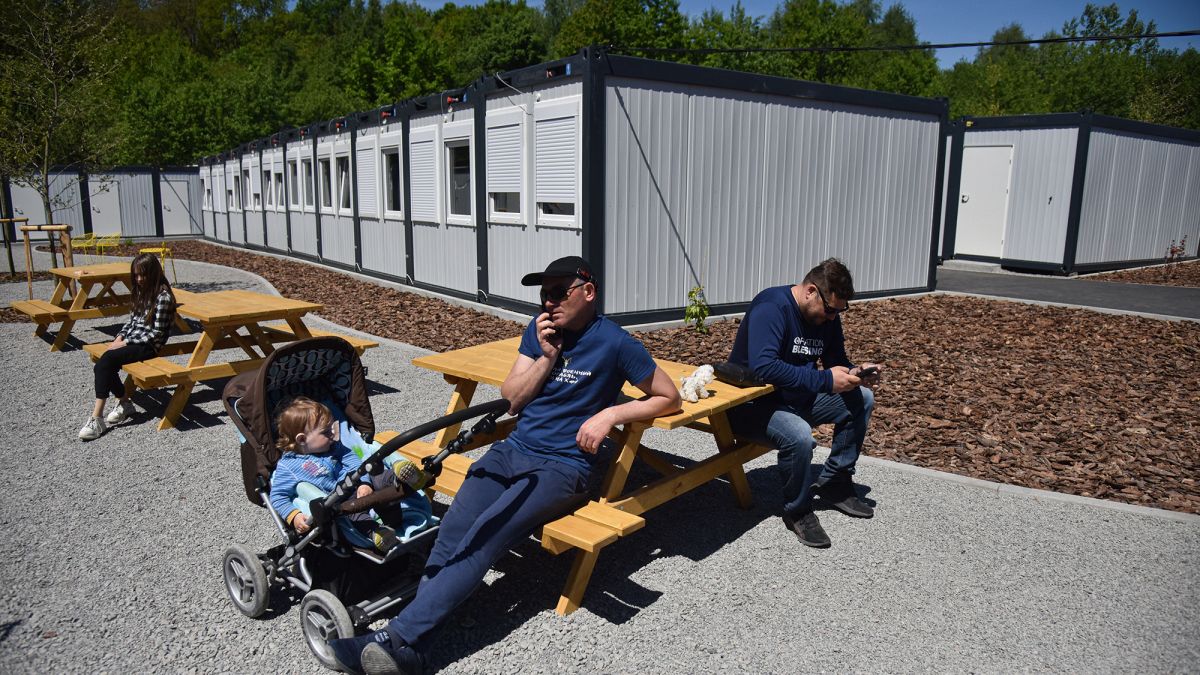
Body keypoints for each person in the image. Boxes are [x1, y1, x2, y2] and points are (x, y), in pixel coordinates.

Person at [328, 256, 681, 675]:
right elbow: (512, 398)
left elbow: (669, 397)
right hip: (514, 449)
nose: (548, 302)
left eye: (558, 292)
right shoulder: (540, 331)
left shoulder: (616, 343)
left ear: (588, 291)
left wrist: (610, 416)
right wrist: (546, 357)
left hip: (563, 467)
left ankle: (397, 637)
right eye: (543, 294)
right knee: (453, 530)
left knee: (486, 536)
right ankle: (416, 647)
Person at [726, 258, 882, 549]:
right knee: (799, 435)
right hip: (752, 404)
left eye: (839, 311)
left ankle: (835, 483)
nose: (833, 317)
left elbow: (834, 361)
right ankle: (797, 510)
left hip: (796, 398)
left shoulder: (825, 317)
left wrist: (854, 373)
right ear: (811, 290)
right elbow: (764, 368)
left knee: (862, 398)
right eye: (830, 309)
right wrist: (824, 381)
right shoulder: (772, 308)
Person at [270, 396, 426, 553]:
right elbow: (277, 496)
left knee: (377, 472)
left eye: (332, 428)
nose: (333, 434)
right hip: (342, 500)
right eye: (326, 432)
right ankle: (377, 533)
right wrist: (294, 515)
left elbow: (356, 463)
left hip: (360, 483)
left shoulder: (334, 446)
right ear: (302, 439)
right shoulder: (288, 467)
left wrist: (365, 483)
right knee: (354, 516)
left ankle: (403, 476)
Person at [78, 253, 176, 440]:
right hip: (131, 339)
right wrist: (120, 336)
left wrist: (125, 342)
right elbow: (132, 322)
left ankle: (97, 417)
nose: (139, 279)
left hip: (148, 346)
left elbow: (157, 333)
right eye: (136, 275)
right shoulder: (140, 291)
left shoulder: (163, 297)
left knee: (105, 361)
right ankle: (123, 403)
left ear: (154, 273)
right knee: (104, 363)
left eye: (143, 275)